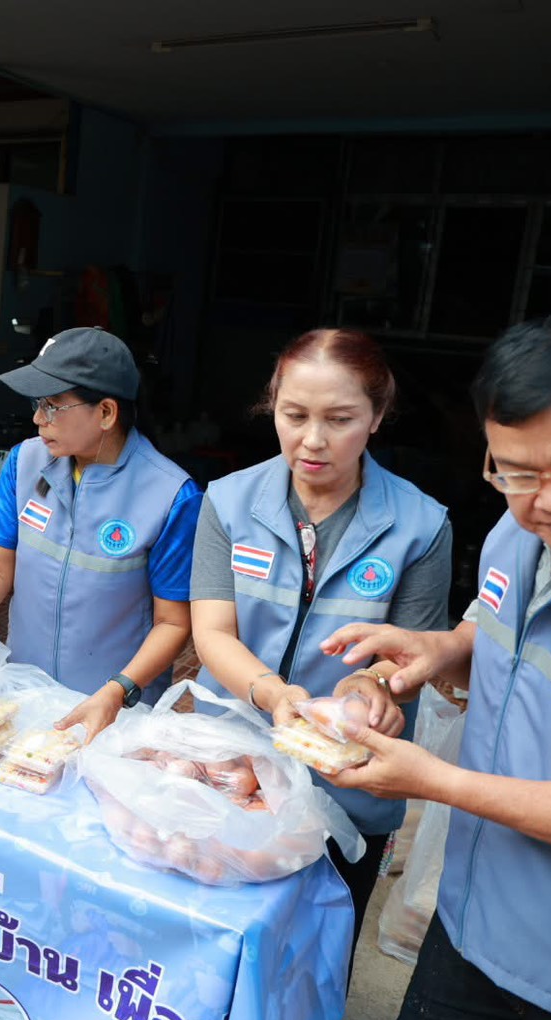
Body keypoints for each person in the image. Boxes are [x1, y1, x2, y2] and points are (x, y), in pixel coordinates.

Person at [324, 311, 551, 1020]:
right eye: (517, 472)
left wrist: (434, 781)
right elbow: (497, 627)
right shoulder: (517, 531)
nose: (550, 499)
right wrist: (437, 649)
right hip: (472, 925)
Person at [188, 328, 451, 954]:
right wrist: (275, 695)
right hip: (227, 767)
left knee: (316, 957)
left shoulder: (420, 525)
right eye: (295, 415)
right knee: (206, 949)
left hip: (347, 780)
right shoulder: (229, 502)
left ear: (377, 416)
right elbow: (212, 632)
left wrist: (376, 685)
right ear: (272, 407)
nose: (312, 439)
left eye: (339, 419)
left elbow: (408, 656)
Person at [0, 328, 200, 717]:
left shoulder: (170, 495)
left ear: (106, 412)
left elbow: (172, 623)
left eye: (52, 406)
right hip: (25, 692)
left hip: (116, 710)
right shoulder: (24, 463)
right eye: (37, 404)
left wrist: (119, 690)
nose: (37, 418)